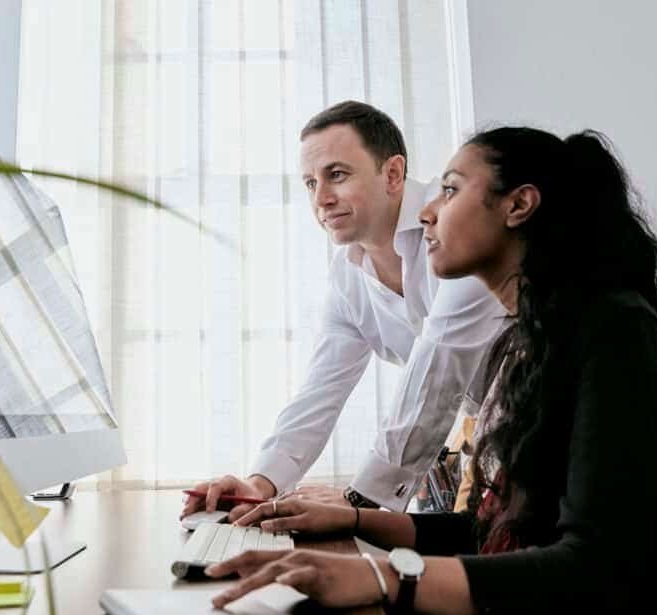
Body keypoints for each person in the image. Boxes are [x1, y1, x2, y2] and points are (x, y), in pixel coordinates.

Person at [204, 126, 657, 615]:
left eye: (449, 190)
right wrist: (350, 519)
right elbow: (497, 529)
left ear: (519, 205)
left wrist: (383, 575)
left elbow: (596, 566)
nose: (427, 212)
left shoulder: (613, 333)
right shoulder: (534, 342)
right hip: (527, 614)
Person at [182, 102, 506, 518]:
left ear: (392, 174)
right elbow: (321, 390)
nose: (321, 199)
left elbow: (437, 370)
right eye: (309, 182)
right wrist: (259, 483)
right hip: (509, 438)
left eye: (336, 175)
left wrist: (360, 499)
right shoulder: (348, 275)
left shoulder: (454, 227)